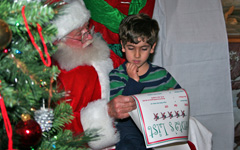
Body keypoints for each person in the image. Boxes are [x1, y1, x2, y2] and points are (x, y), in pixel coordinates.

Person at [51, 0, 124, 149]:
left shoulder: (102, 52)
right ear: (59, 41)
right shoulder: (58, 77)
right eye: (80, 34)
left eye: (87, 28)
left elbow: (130, 72)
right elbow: (58, 127)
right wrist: (104, 114)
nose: (89, 37)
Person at [109, 13, 181, 149]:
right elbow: (121, 112)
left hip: (159, 128)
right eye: (131, 48)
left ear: (152, 48)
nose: (137, 55)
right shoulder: (116, 76)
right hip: (130, 131)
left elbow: (180, 100)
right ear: (123, 46)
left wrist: (174, 98)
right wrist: (133, 82)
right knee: (126, 132)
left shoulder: (161, 75)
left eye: (143, 49)